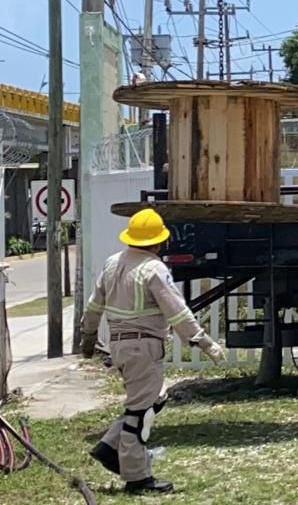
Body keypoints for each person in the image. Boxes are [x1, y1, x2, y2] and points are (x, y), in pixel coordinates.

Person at [80, 208, 226, 494]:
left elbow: (94, 305)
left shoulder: (112, 264)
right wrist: (204, 342)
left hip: (120, 345)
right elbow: (177, 312)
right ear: (158, 242)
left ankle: (110, 445)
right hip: (144, 346)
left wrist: (88, 335)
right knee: (140, 412)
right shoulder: (154, 269)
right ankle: (137, 477)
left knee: (154, 398)